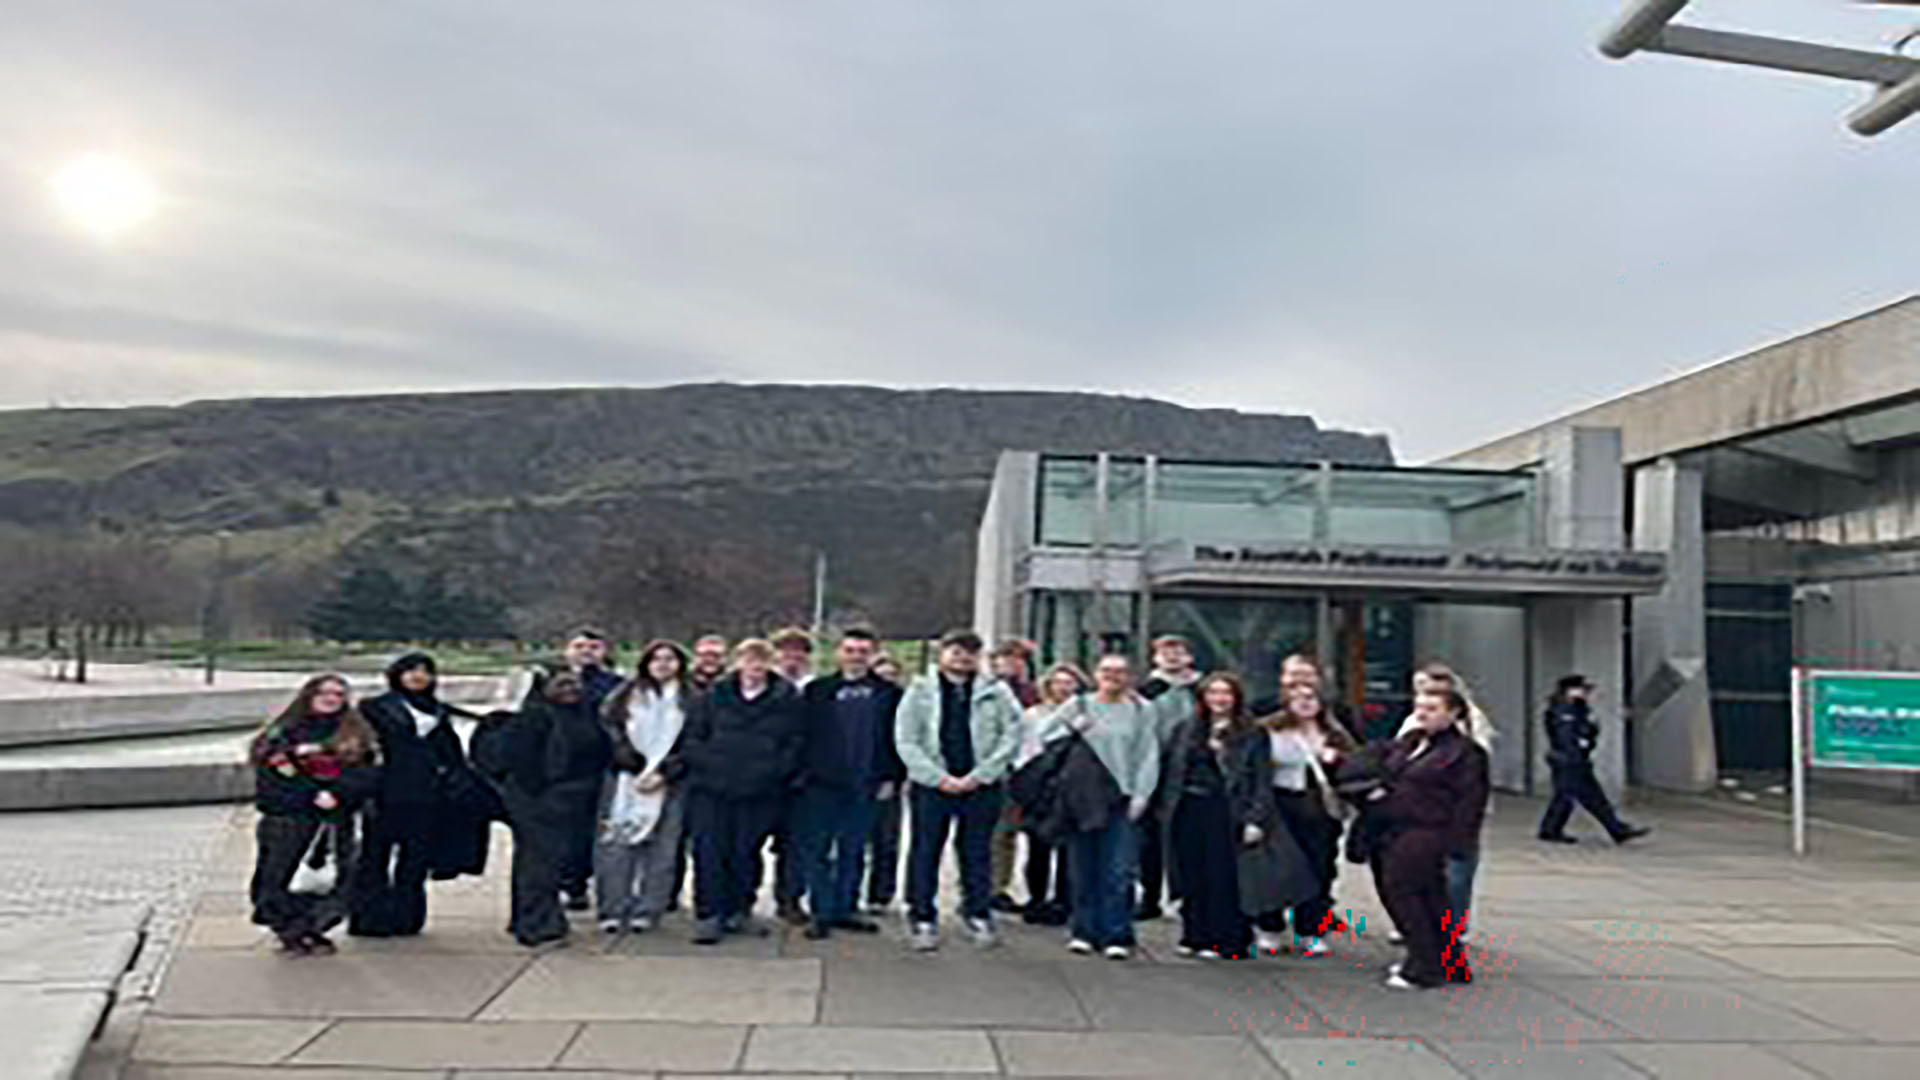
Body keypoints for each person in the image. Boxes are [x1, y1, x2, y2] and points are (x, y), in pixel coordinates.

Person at [896, 630, 1023, 951]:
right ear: (942, 655)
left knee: (977, 851)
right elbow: (906, 738)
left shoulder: (997, 692)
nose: (962, 658)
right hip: (933, 785)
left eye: (969, 653)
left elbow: (1011, 735)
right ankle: (921, 915)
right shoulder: (920, 690)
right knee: (925, 851)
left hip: (980, 786)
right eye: (955, 652)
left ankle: (977, 911)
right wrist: (936, 777)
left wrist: (981, 775)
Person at [350, 653, 489, 939]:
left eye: (425, 671)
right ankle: (368, 918)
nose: (419, 676)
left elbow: (450, 752)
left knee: (415, 859)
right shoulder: (374, 708)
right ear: (397, 675)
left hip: (426, 794)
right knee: (375, 857)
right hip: (384, 792)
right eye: (411, 671)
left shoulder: (437, 710)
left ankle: (406, 917)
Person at [1035, 652, 1160, 960]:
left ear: (1130, 677)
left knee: (1119, 870)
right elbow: (1044, 735)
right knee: (1083, 867)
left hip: (1123, 798)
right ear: (1095, 674)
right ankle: (1084, 930)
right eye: (1106, 671)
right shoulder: (1079, 704)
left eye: (1120, 672)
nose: (1112, 677)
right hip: (1082, 798)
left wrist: (1142, 794)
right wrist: (1072, 727)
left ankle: (1117, 933)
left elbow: (1148, 753)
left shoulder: (1142, 710)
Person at [680, 639, 806, 944]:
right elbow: (693, 738)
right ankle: (709, 915)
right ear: (738, 662)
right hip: (712, 789)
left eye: (762, 661)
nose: (755, 667)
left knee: (746, 853)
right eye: (749, 660)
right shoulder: (712, 697)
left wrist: (771, 773)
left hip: (760, 791)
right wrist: (712, 768)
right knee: (709, 852)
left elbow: (795, 744)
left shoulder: (787, 699)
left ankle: (740, 910)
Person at [249, 674, 381, 956]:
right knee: (278, 875)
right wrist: (312, 794)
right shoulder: (283, 731)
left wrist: (340, 793)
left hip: (337, 818)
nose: (331, 698)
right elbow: (274, 772)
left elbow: (369, 772)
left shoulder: (357, 733)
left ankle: (313, 927)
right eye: (324, 693)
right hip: (290, 816)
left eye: (338, 694)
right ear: (309, 695)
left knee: (338, 878)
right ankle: (287, 929)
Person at [1372, 688, 1491, 990]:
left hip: (1429, 829)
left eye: (1432, 708)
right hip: (1396, 826)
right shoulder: (1409, 743)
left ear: (1453, 714)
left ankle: (1423, 964)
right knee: (1430, 896)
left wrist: (1459, 843)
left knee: (1403, 890)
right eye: (1419, 707)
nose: (1422, 713)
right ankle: (1448, 961)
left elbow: (1471, 801)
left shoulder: (1465, 752)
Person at [796, 629, 905, 939]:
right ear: (838, 653)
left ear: (872, 655)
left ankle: (846, 907)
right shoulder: (818, 690)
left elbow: (896, 739)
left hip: (868, 783)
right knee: (818, 850)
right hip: (821, 784)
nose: (856, 656)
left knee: (854, 849)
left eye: (862, 651)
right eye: (850, 650)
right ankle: (821, 911)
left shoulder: (889, 693)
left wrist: (892, 777)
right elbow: (802, 735)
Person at [1160, 673, 1274, 960]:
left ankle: (1225, 939)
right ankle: (1194, 934)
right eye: (1213, 693)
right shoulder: (1186, 728)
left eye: (1226, 693)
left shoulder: (1252, 733)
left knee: (1224, 876)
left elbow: (1261, 779)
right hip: (1189, 807)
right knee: (1191, 873)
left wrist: (1255, 819)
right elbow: (1171, 769)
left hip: (1227, 809)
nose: (1219, 699)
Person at [498, 667, 613, 949]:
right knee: (539, 864)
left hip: (575, 797)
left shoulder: (585, 713)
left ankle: (529, 918)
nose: (570, 690)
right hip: (540, 799)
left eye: (574, 684)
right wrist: (542, 796)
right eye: (561, 684)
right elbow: (522, 763)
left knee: (551, 863)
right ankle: (537, 926)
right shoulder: (533, 717)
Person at [594, 640, 692, 936]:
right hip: (625, 779)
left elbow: (697, 740)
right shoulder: (624, 695)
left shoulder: (693, 699)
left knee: (663, 850)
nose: (663, 664)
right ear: (646, 663)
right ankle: (612, 907)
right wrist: (632, 763)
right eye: (657, 659)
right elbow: (608, 730)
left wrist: (665, 771)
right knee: (615, 845)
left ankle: (649, 909)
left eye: (670, 659)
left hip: (671, 782)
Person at [1256, 673, 1358, 958]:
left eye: (1311, 698)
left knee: (1318, 870)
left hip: (1318, 810)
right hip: (1279, 805)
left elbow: (1356, 769)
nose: (1305, 704)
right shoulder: (1268, 730)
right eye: (1297, 698)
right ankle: (1270, 927)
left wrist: (1337, 760)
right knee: (1275, 869)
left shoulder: (1334, 734)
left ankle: (1311, 929)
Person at [1393, 663, 1495, 943]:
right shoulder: (1414, 731)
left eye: (1427, 689)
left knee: (1455, 873)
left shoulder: (1467, 741)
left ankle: (1450, 928)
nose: (1422, 705)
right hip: (1414, 818)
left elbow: (1472, 788)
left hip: (1443, 816)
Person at [552, 630, 623, 912]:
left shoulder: (615, 685)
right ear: (567, 651)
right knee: (567, 831)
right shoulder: (549, 681)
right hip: (563, 769)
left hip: (602, 765)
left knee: (598, 831)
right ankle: (571, 883)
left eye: (593, 646)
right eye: (579, 646)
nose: (586, 651)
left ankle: (592, 882)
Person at [1135, 634, 1201, 922]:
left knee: (1187, 835)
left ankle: (1186, 896)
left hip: (1190, 769)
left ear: (1189, 657)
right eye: (1165, 652)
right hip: (1153, 765)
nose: (1172, 657)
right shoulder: (1147, 689)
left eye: (1178, 651)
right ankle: (1150, 897)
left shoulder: (1202, 688)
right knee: (1149, 838)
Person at [1537, 675, 1649, 845]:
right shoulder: (1563, 709)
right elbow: (1567, 737)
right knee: (1575, 797)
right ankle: (1615, 829)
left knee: (1582, 796)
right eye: (1582, 689)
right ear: (1570, 690)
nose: (1586, 693)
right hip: (1568, 760)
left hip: (1576, 759)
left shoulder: (1577, 707)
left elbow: (1588, 730)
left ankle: (1615, 829)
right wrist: (1577, 753)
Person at [1019, 662, 1086, 926]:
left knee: (1069, 851)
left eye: (1070, 682)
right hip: (1042, 788)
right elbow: (1026, 750)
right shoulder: (1032, 715)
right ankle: (1036, 899)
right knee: (1038, 848)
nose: (1064, 687)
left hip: (1075, 788)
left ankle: (1065, 900)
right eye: (1058, 682)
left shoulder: (1088, 714)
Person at [767, 626, 817, 925]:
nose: (792, 658)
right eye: (785, 651)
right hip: (761, 777)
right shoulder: (762, 687)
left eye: (798, 652)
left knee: (795, 846)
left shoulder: (815, 689)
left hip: (800, 781)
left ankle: (789, 899)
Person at [988, 638, 1039, 913]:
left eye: (1018, 659)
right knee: (992, 833)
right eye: (1005, 658)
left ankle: (1001, 887)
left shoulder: (1033, 692)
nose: (1011, 664)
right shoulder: (987, 690)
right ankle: (986, 887)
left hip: (1026, 771)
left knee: (1011, 832)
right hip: (993, 769)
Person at [864, 651, 907, 912]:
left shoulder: (901, 701)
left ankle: (880, 895)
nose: (886, 678)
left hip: (888, 779)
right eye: (881, 672)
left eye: (892, 674)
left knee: (886, 841)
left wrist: (894, 778)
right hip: (856, 778)